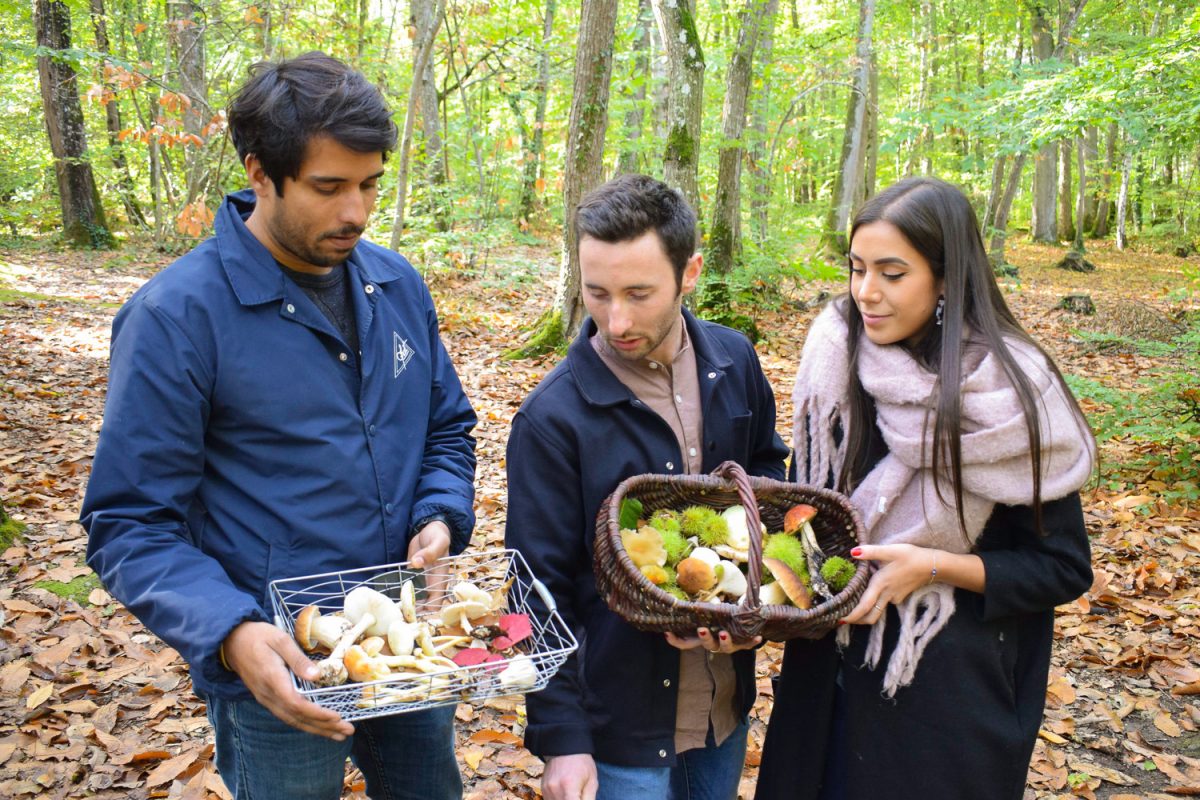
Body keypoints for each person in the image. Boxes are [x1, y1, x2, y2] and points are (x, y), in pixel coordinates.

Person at [81, 52, 477, 800]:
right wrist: (230, 632)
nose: (356, 211)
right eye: (329, 188)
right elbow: (129, 522)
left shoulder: (394, 285)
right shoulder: (178, 317)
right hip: (275, 659)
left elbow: (447, 430)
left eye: (368, 185)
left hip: (400, 637)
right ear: (261, 173)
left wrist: (440, 511)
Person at [755, 177, 1095, 800]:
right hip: (822, 692)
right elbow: (809, 510)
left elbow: (1062, 567)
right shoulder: (837, 358)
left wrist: (934, 567)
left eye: (892, 273)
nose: (866, 293)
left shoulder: (1008, 397)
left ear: (945, 279)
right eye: (857, 269)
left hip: (940, 708)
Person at [505, 173, 789, 800]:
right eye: (596, 293)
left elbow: (769, 475)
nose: (616, 319)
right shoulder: (553, 419)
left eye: (639, 293)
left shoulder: (733, 362)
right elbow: (533, 589)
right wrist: (562, 738)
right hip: (618, 729)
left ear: (689, 273)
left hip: (722, 710)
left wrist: (752, 603)